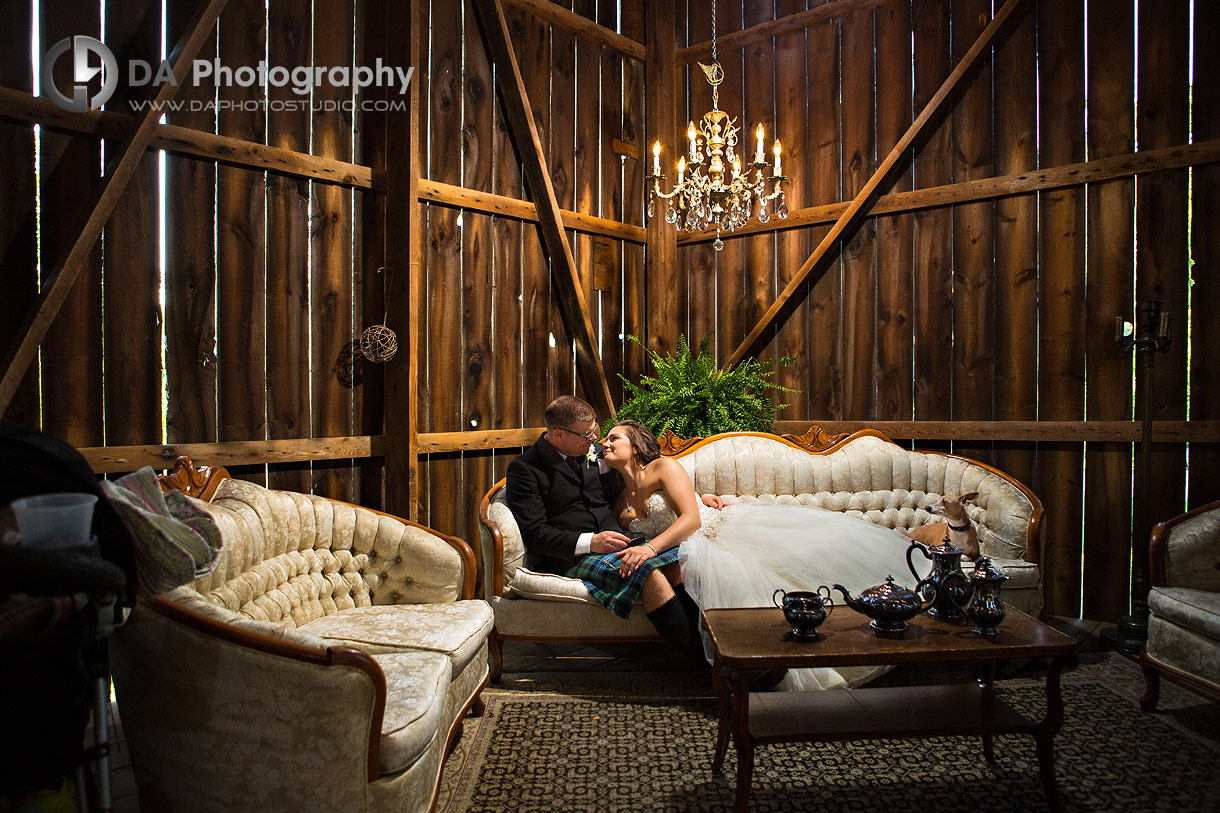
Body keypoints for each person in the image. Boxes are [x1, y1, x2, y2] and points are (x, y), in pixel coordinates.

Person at [600, 419, 934, 692]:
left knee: (755, 570)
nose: (605, 443)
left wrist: (650, 547)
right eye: (603, 440)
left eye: (614, 437)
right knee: (695, 576)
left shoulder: (663, 466)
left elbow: (692, 518)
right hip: (679, 549)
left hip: (714, 531)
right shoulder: (617, 500)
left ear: (636, 443)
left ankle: (764, 664)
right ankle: (729, 667)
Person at [505, 396, 705, 665]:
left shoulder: (593, 454)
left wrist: (700, 497)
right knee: (648, 573)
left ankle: (718, 650)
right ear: (559, 435)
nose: (595, 441)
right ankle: (700, 665)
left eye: (595, 431)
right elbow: (535, 533)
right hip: (575, 556)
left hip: (624, 543)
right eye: (587, 435)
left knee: (682, 561)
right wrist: (591, 542)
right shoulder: (525, 469)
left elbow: (640, 479)